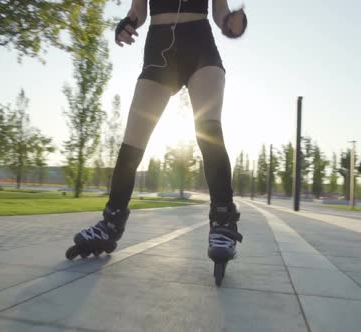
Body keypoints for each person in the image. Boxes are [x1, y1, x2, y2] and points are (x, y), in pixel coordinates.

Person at [66, 0, 247, 283]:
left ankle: (222, 223)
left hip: (200, 47)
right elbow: (138, 11)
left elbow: (219, 11)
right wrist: (126, 24)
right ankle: (111, 223)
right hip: (158, 52)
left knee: (209, 130)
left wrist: (230, 24)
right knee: (132, 145)